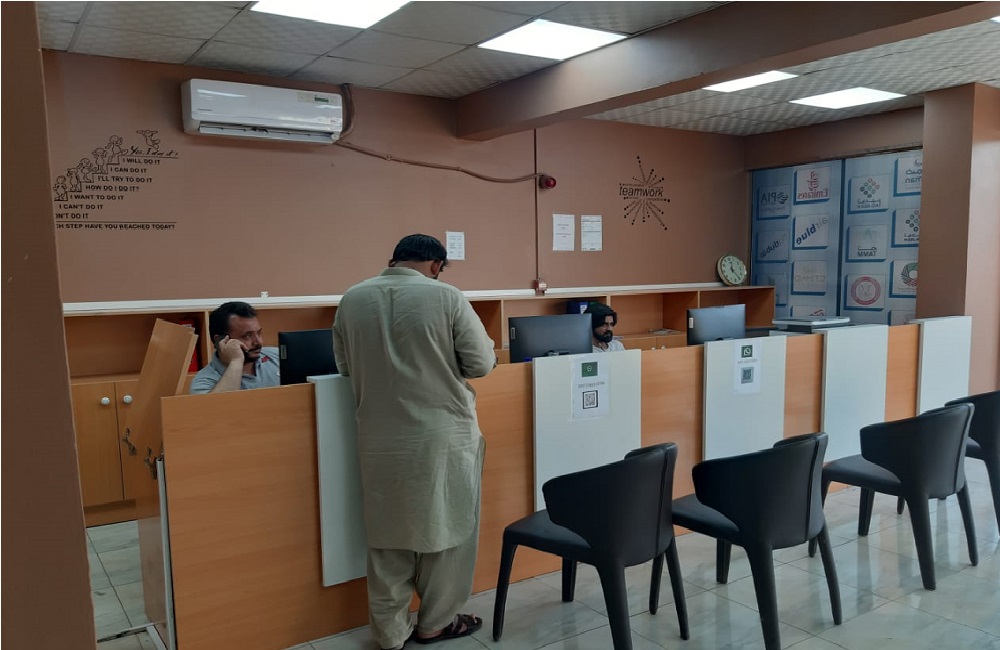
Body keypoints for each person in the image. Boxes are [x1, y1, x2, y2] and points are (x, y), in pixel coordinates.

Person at [332, 234, 496, 650]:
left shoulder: (352, 299)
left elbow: (345, 366)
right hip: (443, 435)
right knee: (448, 530)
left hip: (378, 437)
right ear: (436, 265)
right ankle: (435, 623)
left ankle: (390, 634)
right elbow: (480, 363)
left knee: (387, 535)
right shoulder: (447, 296)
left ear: (395, 260)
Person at [189, 301, 280, 394]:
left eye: (259, 333)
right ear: (220, 340)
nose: (258, 342)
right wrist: (236, 362)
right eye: (248, 336)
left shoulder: (278, 356)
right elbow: (222, 403)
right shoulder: (204, 382)